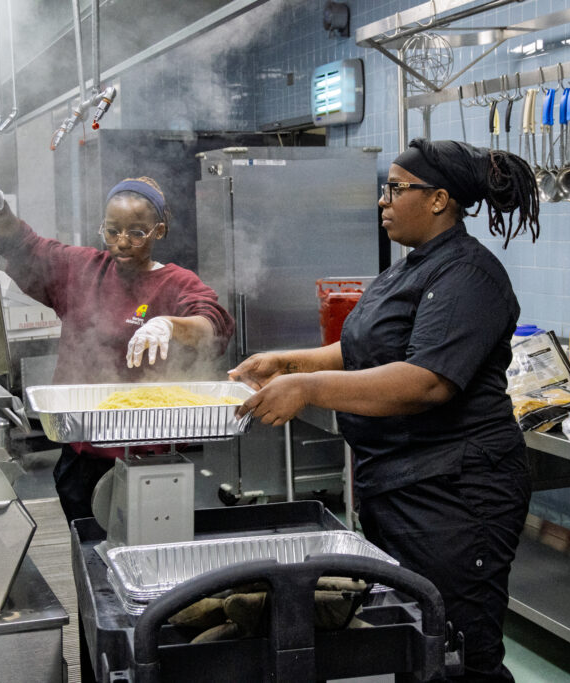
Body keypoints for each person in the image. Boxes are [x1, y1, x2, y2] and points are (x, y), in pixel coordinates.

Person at [228, 138, 539, 682]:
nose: (382, 200)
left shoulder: (470, 275)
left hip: (457, 496)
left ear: (439, 199)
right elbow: (363, 349)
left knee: (457, 649)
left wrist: (308, 390)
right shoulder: (410, 268)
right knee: (410, 640)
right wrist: (289, 363)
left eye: (395, 188)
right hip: (400, 484)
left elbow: (426, 383)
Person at [0, 170, 234, 523]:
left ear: (159, 231)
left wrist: (168, 324)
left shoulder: (176, 282)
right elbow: (25, 246)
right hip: (82, 453)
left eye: (137, 232)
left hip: (150, 457)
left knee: (148, 550)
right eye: (112, 230)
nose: (122, 241)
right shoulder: (81, 270)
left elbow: (212, 322)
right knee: (89, 551)